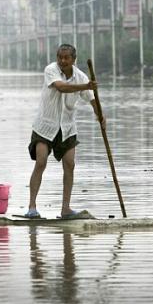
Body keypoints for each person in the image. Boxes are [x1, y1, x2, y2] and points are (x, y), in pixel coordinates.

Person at [26, 44, 105, 219]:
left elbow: (93, 101)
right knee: (40, 162)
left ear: (73, 60)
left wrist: (100, 116)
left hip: (67, 127)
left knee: (70, 164)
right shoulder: (51, 70)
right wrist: (85, 86)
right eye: (60, 57)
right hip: (45, 126)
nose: (62, 61)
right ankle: (32, 207)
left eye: (66, 58)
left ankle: (66, 209)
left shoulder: (80, 77)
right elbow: (61, 87)